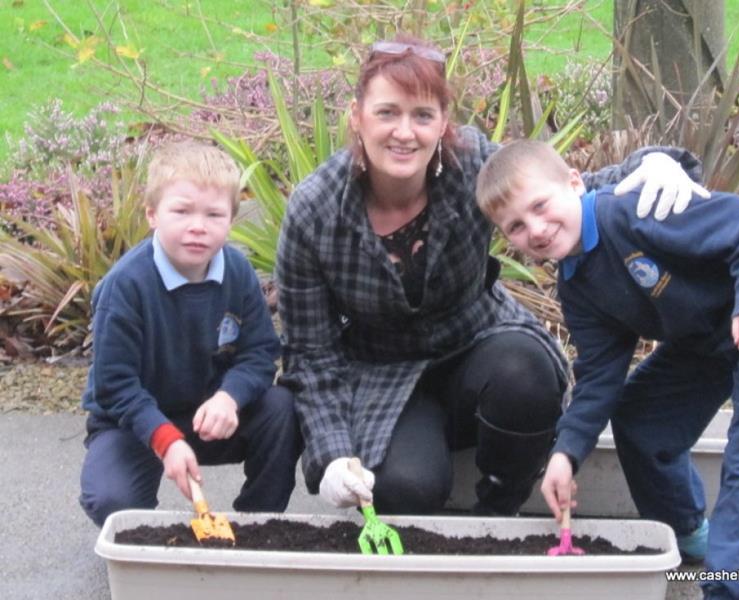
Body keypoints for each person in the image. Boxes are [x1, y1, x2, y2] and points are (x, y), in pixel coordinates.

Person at [276, 34, 707, 517]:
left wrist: (655, 166)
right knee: (404, 491)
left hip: (484, 349)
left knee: (524, 373)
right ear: (357, 116)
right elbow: (310, 352)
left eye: (422, 115)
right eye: (387, 113)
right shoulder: (315, 210)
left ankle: (498, 515)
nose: (405, 132)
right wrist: (333, 455)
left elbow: (562, 190)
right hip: (384, 377)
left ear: (443, 122)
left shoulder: (471, 166)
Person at [475, 139, 739, 599]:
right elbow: (599, 379)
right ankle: (688, 534)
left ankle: (733, 590)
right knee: (643, 421)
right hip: (707, 333)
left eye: (540, 206)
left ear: (573, 181)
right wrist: (565, 454)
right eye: (516, 226)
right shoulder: (576, 284)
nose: (537, 229)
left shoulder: (630, 212)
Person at [79, 141, 302, 526]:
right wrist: (163, 439)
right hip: (134, 422)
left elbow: (260, 353)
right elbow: (114, 385)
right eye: (181, 211)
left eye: (214, 214)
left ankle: (257, 523)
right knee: (112, 500)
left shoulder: (238, 272)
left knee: (282, 407)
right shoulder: (125, 286)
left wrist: (229, 398)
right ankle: (137, 530)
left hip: (207, 413)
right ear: (152, 214)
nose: (198, 226)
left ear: (231, 219)